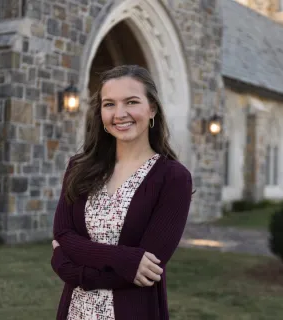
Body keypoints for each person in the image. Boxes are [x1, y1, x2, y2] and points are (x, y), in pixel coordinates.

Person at [50, 65, 193, 320]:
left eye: (131, 102)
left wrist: (69, 267)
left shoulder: (173, 178)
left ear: (152, 109)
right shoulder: (79, 167)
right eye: (109, 104)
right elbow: (63, 234)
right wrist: (125, 258)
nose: (120, 113)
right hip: (75, 311)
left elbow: (149, 269)